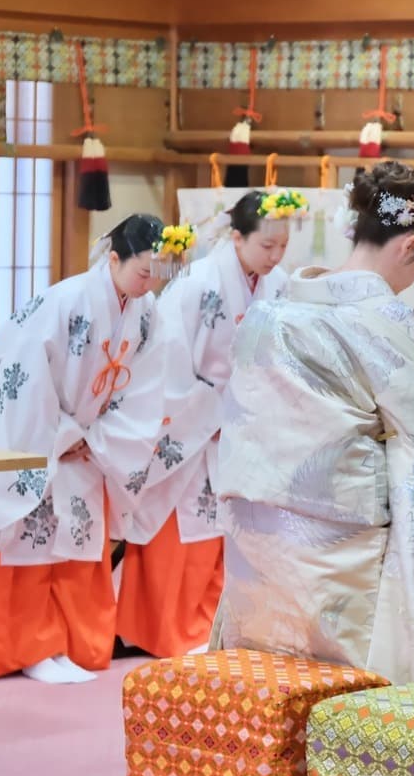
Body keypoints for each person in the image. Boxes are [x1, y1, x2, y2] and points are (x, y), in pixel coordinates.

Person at [211, 162, 414, 683]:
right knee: (341, 677)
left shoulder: (277, 306)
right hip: (337, 542)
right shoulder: (384, 316)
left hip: (256, 528)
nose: (413, 282)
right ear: (408, 246)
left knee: (267, 667)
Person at [0, 214, 169, 683]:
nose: (149, 283)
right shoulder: (66, 301)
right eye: (143, 271)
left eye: (156, 274)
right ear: (113, 258)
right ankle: (26, 646)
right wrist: (63, 436)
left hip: (91, 439)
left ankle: (68, 642)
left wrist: (99, 437)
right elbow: (24, 375)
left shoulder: (145, 315)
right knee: (29, 541)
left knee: (74, 543)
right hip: (42, 431)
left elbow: (146, 389)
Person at [114, 191, 293, 658]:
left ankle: (214, 630)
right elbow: (166, 359)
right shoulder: (197, 282)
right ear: (236, 237)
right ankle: (160, 630)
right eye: (266, 246)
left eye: (282, 247)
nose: (275, 257)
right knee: (180, 529)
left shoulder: (281, 286)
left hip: (244, 426)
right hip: (195, 424)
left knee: (227, 532)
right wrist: (211, 415)